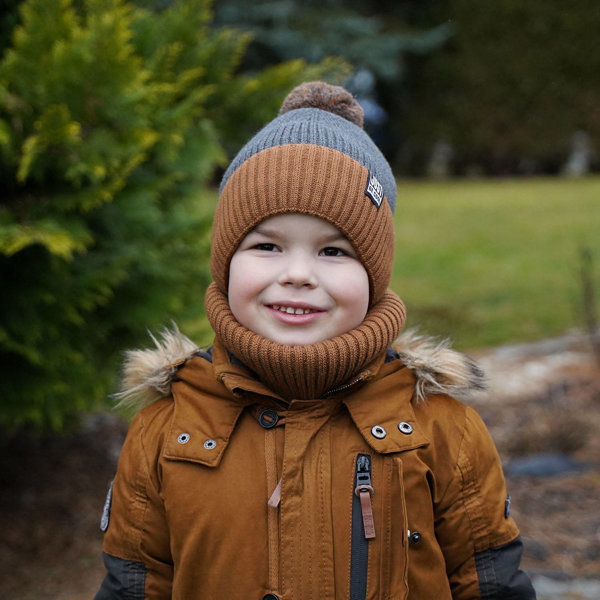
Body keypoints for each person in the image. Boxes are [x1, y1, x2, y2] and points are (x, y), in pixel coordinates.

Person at [95, 82, 536, 599]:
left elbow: (490, 586)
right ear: (226, 263)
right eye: (267, 245)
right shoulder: (166, 430)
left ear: (374, 276)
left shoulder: (441, 428)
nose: (298, 274)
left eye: (333, 252)